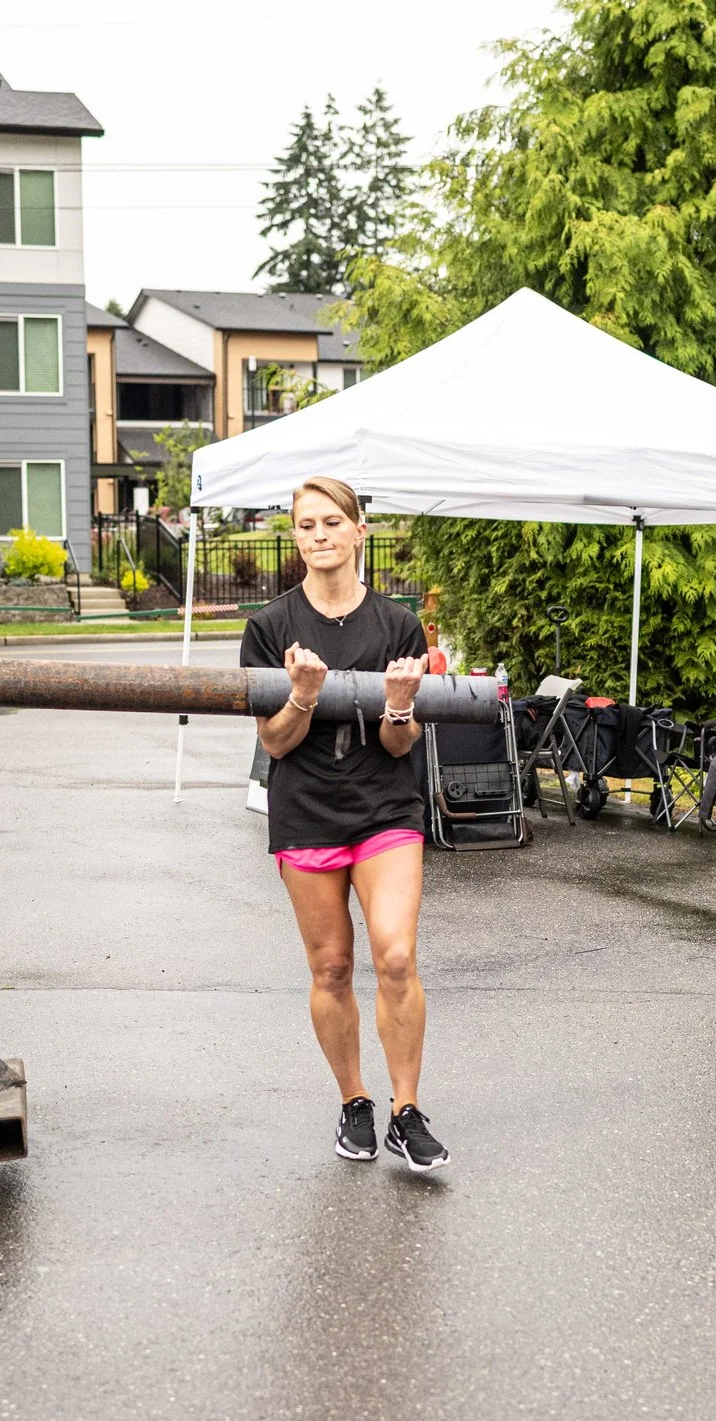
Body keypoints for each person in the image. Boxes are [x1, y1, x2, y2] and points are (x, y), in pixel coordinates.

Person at [240, 477, 449, 1171]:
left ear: (360, 530)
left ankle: (406, 1108)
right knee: (331, 967)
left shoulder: (397, 624)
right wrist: (301, 695)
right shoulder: (270, 627)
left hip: (385, 806)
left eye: (332, 522)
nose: (319, 535)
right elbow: (274, 744)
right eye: (305, 525)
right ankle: (354, 1098)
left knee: (395, 955)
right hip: (306, 811)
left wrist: (396, 706)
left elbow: (400, 742)